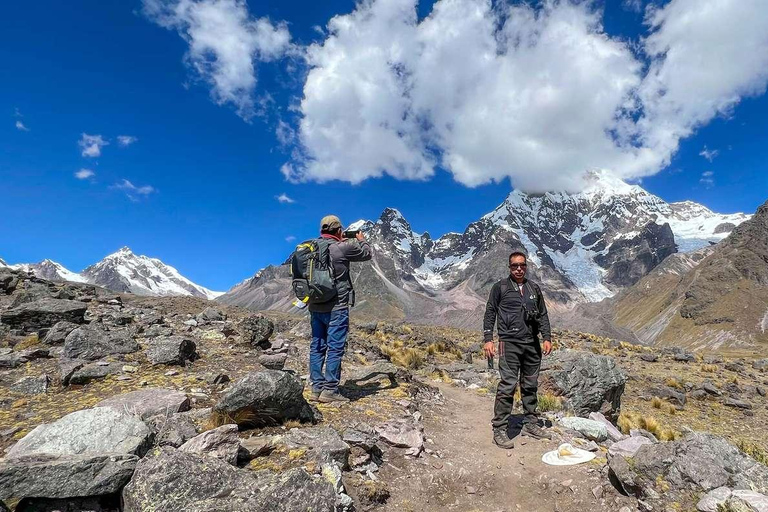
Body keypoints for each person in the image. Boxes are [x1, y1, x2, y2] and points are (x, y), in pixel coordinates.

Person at [483, 251, 553, 449]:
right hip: (509, 343)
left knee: (530, 384)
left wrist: (546, 337)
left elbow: (543, 315)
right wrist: (488, 339)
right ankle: (499, 428)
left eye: (522, 265)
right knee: (508, 385)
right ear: (509, 267)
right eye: (515, 266)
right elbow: (490, 312)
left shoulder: (534, 288)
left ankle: (531, 423)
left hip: (531, 344)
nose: (519, 269)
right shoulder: (500, 288)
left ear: (526, 266)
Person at [308, 215, 372, 404]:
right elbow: (366, 253)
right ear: (338, 230)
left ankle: (316, 389)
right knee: (335, 348)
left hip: (315, 306)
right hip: (337, 307)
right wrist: (361, 240)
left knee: (317, 346)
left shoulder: (312, 248)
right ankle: (330, 391)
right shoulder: (342, 247)